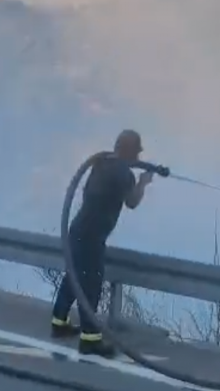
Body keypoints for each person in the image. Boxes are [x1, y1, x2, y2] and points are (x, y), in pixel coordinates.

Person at [49, 129, 154, 358]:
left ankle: (59, 322)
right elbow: (132, 202)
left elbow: (113, 177)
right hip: (92, 237)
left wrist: (132, 170)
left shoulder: (101, 163)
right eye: (136, 152)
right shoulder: (123, 174)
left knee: (74, 276)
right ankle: (90, 340)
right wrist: (143, 182)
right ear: (129, 151)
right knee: (91, 284)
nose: (138, 157)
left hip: (77, 230)